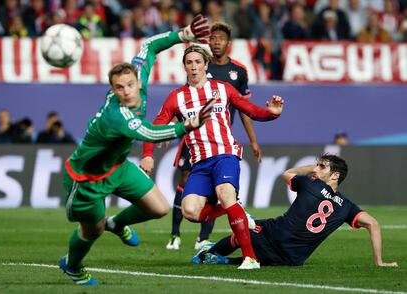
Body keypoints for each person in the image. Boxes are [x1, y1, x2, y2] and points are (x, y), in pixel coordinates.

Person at [59, 15, 213, 285]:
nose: (127, 91)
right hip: (87, 179)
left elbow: (148, 46)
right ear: (113, 90)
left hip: (117, 166)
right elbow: (150, 133)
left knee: (160, 208)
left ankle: (117, 224)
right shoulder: (117, 116)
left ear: (138, 81)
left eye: (130, 85)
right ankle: (72, 266)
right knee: (92, 230)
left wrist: (184, 34)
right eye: (119, 88)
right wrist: (189, 124)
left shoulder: (138, 75)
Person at [141, 44, 284, 270]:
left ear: (206, 65)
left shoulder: (223, 89)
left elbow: (250, 110)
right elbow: (153, 128)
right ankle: (238, 211)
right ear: (184, 67)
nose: (194, 66)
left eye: (198, 62)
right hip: (199, 163)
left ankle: (250, 258)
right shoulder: (176, 98)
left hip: (225, 154)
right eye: (189, 63)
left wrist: (271, 114)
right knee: (190, 211)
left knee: (225, 193)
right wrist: (148, 154)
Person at [192, 154, 398, 268]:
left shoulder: (311, 183)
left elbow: (286, 174)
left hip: (273, 237)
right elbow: (374, 224)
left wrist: (309, 169)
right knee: (258, 241)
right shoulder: (346, 206)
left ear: (335, 175)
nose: (317, 169)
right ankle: (226, 260)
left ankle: (208, 254)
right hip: (292, 260)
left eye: (322, 166)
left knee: (242, 228)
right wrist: (379, 262)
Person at [164, 22, 263, 251]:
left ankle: (203, 237)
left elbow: (245, 108)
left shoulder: (238, 72)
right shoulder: (198, 67)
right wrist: (169, 128)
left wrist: (254, 140)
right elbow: (183, 105)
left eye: (221, 38)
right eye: (213, 38)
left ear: (228, 43)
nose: (216, 42)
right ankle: (175, 234)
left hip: (219, 141)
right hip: (195, 141)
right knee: (185, 181)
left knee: (221, 190)